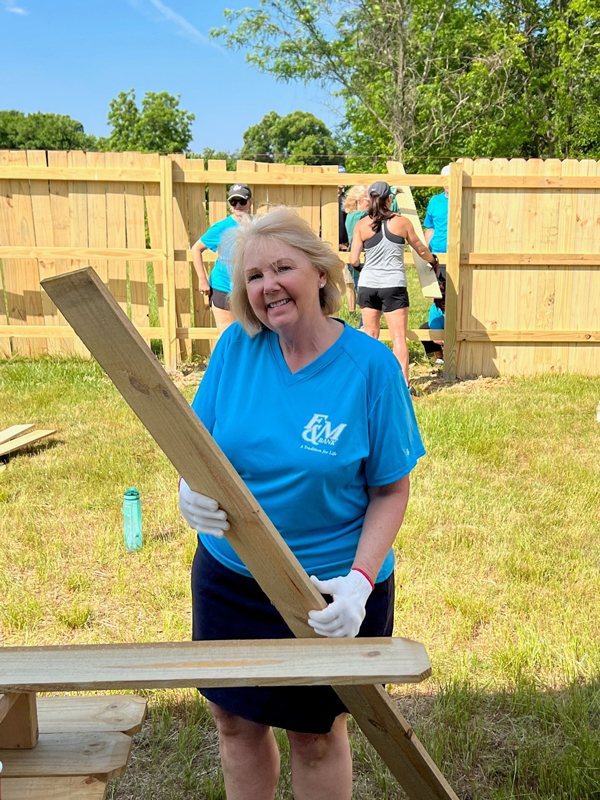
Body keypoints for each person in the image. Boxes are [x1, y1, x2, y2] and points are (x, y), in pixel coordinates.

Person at [178, 207, 425, 800]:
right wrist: (189, 490)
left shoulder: (370, 368)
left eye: (282, 267)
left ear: (319, 272)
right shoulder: (238, 347)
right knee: (235, 720)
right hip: (233, 573)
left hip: (328, 590)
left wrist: (360, 583)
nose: (268, 287)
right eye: (254, 277)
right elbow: (197, 443)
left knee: (315, 733)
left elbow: (390, 489)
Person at [350, 181, 439, 384]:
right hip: (393, 285)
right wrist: (433, 260)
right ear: (389, 199)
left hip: (368, 285)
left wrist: (361, 269)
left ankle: (368, 384)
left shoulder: (361, 225)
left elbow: (353, 259)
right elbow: (421, 249)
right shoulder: (401, 222)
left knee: (370, 337)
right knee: (398, 337)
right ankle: (403, 386)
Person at [191, 183, 253, 334]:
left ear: (250, 202)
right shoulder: (221, 227)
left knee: (251, 334)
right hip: (223, 286)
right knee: (226, 335)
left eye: (242, 201)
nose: (238, 205)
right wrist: (202, 280)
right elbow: (196, 248)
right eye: (233, 202)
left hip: (249, 288)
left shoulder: (258, 226)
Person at [424, 165, 450, 269]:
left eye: (450, 179)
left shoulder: (467, 201)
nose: (447, 183)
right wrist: (427, 254)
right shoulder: (435, 201)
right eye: (445, 179)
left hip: (462, 256)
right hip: (439, 255)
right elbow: (430, 229)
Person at [343, 186, 369, 291]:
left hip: (357, 261)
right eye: (369, 200)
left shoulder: (352, 215)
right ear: (359, 201)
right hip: (359, 261)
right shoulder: (357, 215)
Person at [420, 276, 445, 363]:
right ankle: (440, 357)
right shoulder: (435, 308)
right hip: (442, 332)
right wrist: (443, 341)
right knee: (424, 329)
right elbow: (435, 336)